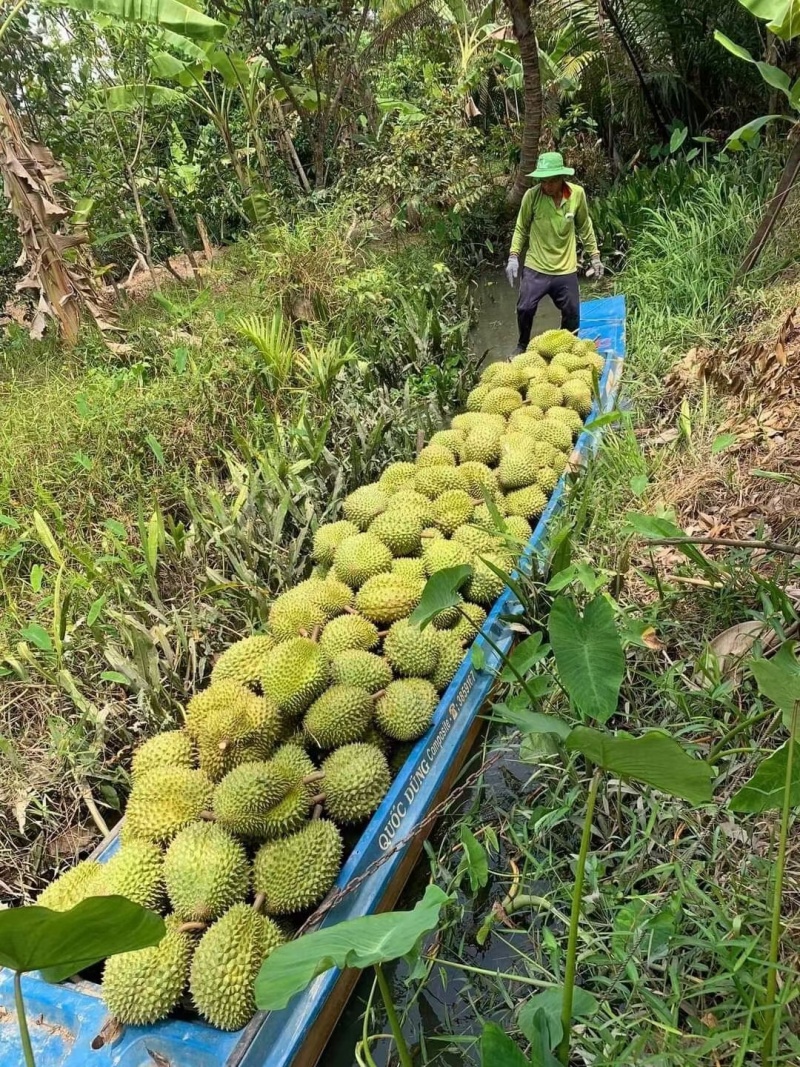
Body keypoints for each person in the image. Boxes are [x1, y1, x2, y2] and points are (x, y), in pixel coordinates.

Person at [505, 151, 603, 353]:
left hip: (565, 266)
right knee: (525, 308)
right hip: (536, 265)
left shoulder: (577, 194)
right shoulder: (531, 197)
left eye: (550, 181)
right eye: (542, 181)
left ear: (561, 179)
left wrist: (595, 257)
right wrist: (513, 256)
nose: (546, 186)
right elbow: (521, 228)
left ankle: (565, 346)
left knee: (573, 313)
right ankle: (522, 345)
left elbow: (584, 226)